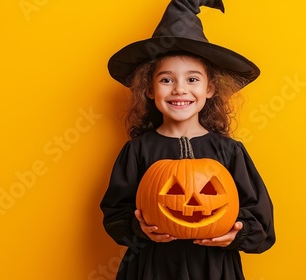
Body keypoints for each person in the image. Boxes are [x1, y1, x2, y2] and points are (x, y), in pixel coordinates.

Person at [100, 1, 275, 279]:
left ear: (210, 88)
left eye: (192, 79)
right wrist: (138, 230)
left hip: (214, 268)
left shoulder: (229, 151)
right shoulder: (137, 151)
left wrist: (236, 234)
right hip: (152, 268)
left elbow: (261, 219)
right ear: (149, 89)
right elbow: (115, 213)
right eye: (166, 80)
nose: (180, 89)